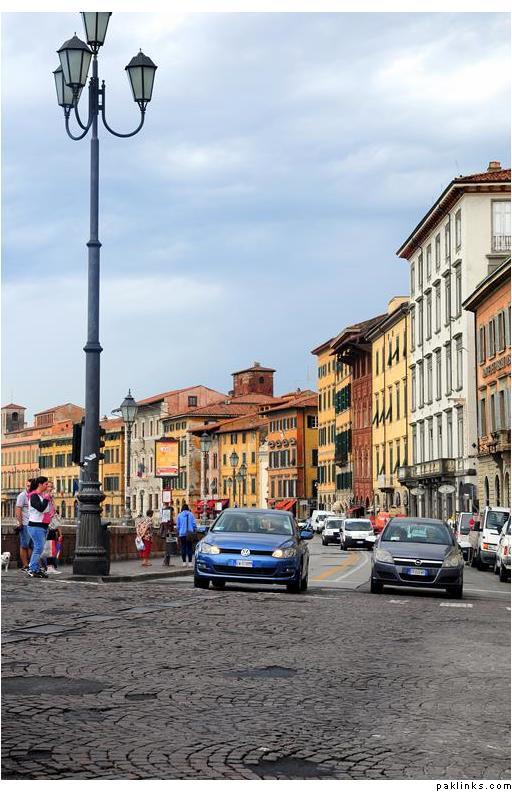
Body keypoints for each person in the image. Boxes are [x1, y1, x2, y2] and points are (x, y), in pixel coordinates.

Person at [27, 476, 51, 579]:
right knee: (38, 548)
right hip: (36, 526)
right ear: (40, 484)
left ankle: (35, 568)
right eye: (46, 484)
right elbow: (41, 508)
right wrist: (46, 498)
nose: (47, 486)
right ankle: (32, 569)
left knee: (39, 548)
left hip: (41, 526)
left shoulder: (39, 496)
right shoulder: (34, 496)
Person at [15, 479, 33, 571]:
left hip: (33, 523)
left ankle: (30, 565)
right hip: (25, 524)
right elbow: (18, 510)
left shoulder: (33, 495)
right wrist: (20, 523)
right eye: (28, 486)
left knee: (31, 545)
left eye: (30, 486)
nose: (29, 488)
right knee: (24, 545)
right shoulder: (22, 496)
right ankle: (25, 565)